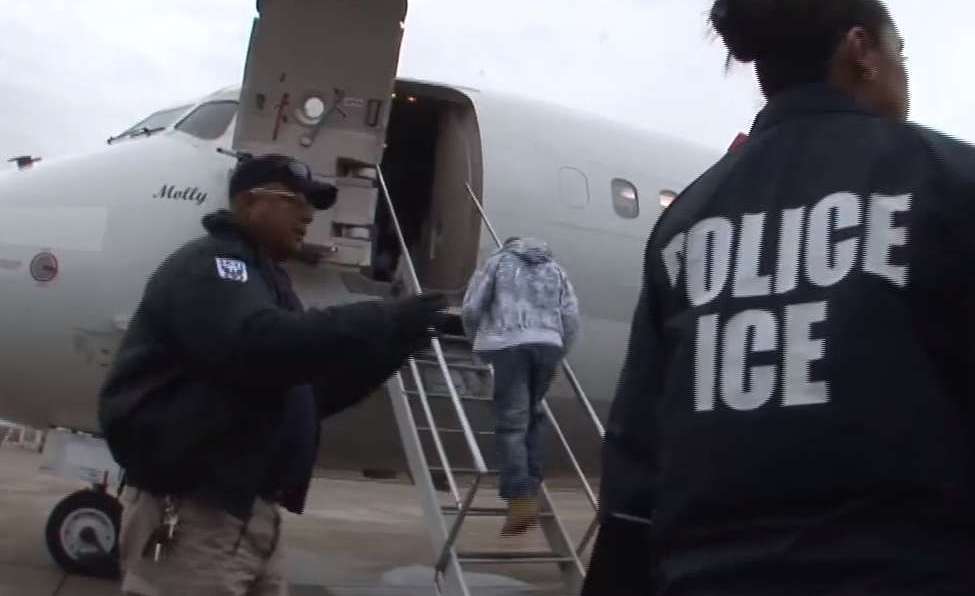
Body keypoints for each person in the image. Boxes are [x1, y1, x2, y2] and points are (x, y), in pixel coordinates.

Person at [584, 1, 975, 594]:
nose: (905, 73)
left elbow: (637, 457)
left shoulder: (687, 218)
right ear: (860, 50)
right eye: (900, 53)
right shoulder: (948, 181)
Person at [99, 154, 446, 596]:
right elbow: (257, 343)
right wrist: (386, 318)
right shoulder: (214, 264)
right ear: (248, 202)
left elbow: (308, 394)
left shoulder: (267, 282)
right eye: (294, 201)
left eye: (311, 205)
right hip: (198, 514)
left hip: (250, 517)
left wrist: (398, 344)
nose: (308, 215)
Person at [461, 237, 580, 535]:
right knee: (533, 415)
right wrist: (558, 351)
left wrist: (477, 342)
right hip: (548, 345)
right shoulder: (556, 269)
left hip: (509, 344)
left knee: (512, 423)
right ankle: (532, 487)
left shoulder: (497, 262)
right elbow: (571, 316)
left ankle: (519, 497)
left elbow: (472, 308)